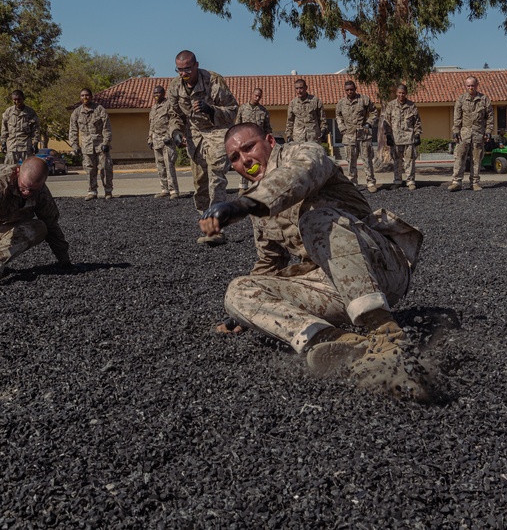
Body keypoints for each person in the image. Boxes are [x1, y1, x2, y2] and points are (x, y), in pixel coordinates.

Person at [199, 123, 429, 400]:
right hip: (334, 285)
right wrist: (247, 312)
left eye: (248, 148)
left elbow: (298, 175)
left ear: (270, 141)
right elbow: (269, 263)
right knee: (238, 289)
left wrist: (241, 205)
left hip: (381, 267)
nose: (244, 160)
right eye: (235, 158)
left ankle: (386, 333)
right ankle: (338, 342)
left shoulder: (304, 153)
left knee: (316, 220)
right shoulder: (256, 206)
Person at [168, 50, 239, 244]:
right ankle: (206, 222)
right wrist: (176, 132)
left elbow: (232, 111)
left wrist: (211, 109)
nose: (184, 73)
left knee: (216, 176)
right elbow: (174, 114)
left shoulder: (214, 81)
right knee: (200, 182)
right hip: (194, 133)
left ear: (196, 65)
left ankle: (217, 228)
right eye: (180, 70)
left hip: (217, 129)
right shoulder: (175, 87)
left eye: (188, 69)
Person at [449, 77, 493, 192]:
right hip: (464, 134)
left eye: (472, 85)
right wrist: (455, 131)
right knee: (459, 157)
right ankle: (456, 182)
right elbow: (457, 117)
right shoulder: (461, 99)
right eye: (468, 86)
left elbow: (489, 117)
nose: (470, 88)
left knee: (477, 159)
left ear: (477, 85)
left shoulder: (484, 99)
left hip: (478, 133)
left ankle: (474, 183)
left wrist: (488, 131)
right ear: (465, 86)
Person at [69, 88, 114, 200]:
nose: (85, 97)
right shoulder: (76, 112)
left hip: (100, 145)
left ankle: (108, 191)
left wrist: (106, 142)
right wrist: (75, 145)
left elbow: (106, 127)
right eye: (83, 95)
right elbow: (73, 130)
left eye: (87, 95)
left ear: (91, 96)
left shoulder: (99, 109)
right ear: (80, 98)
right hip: (86, 146)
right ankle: (92, 191)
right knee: (89, 169)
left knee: (105, 167)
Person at [335, 80, 378, 192]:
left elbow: (374, 112)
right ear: (345, 90)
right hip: (349, 136)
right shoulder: (341, 103)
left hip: (363, 135)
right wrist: (342, 128)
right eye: (347, 90)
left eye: (352, 89)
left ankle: (370, 182)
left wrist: (368, 123)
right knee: (350, 161)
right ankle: (352, 183)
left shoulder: (364, 99)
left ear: (355, 89)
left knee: (367, 160)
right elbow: (338, 116)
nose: (350, 91)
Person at [382, 84, 422, 190]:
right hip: (395, 138)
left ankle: (410, 181)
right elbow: (386, 122)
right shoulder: (390, 105)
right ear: (396, 93)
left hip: (409, 138)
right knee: (397, 161)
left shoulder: (411, 106)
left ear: (406, 93)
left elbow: (417, 121)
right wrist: (388, 135)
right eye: (399, 93)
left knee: (410, 160)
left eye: (403, 93)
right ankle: (397, 180)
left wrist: (417, 134)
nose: (401, 95)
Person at [147, 85, 183, 199]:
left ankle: (174, 191)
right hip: (156, 140)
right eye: (154, 93)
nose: (156, 95)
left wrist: (170, 135)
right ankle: (164, 189)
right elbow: (151, 125)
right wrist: (149, 138)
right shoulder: (153, 108)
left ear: (163, 94)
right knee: (160, 167)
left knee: (169, 166)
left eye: (158, 93)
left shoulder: (169, 105)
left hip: (167, 140)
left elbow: (173, 121)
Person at [0, 90, 40, 165]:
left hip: (26, 146)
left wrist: (35, 143)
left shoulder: (30, 112)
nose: (17, 101)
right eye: (14, 99)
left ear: (23, 98)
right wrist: (3, 142)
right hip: (12, 146)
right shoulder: (8, 112)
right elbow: (4, 129)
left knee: (28, 170)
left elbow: (36, 129)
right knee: (9, 170)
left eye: (19, 99)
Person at [285, 79, 326, 143]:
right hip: (298, 139)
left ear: (306, 88)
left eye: (301, 88)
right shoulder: (293, 103)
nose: (299, 91)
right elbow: (290, 121)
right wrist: (288, 135)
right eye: (297, 88)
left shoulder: (315, 101)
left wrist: (323, 131)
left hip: (313, 138)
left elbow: (322, 119)